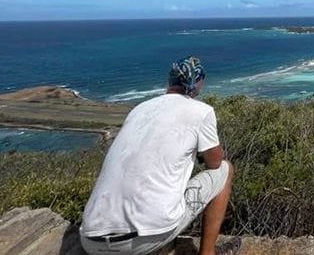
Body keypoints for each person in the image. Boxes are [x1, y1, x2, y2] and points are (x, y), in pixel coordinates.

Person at [80, 56, 240, 255]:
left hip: (90, 239)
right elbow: (215, 162)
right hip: (143, 240)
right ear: (198, 83)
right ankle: (207, 253)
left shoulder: (139, 109)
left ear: (170, 81)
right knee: (226, 170)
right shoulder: (202, 111)